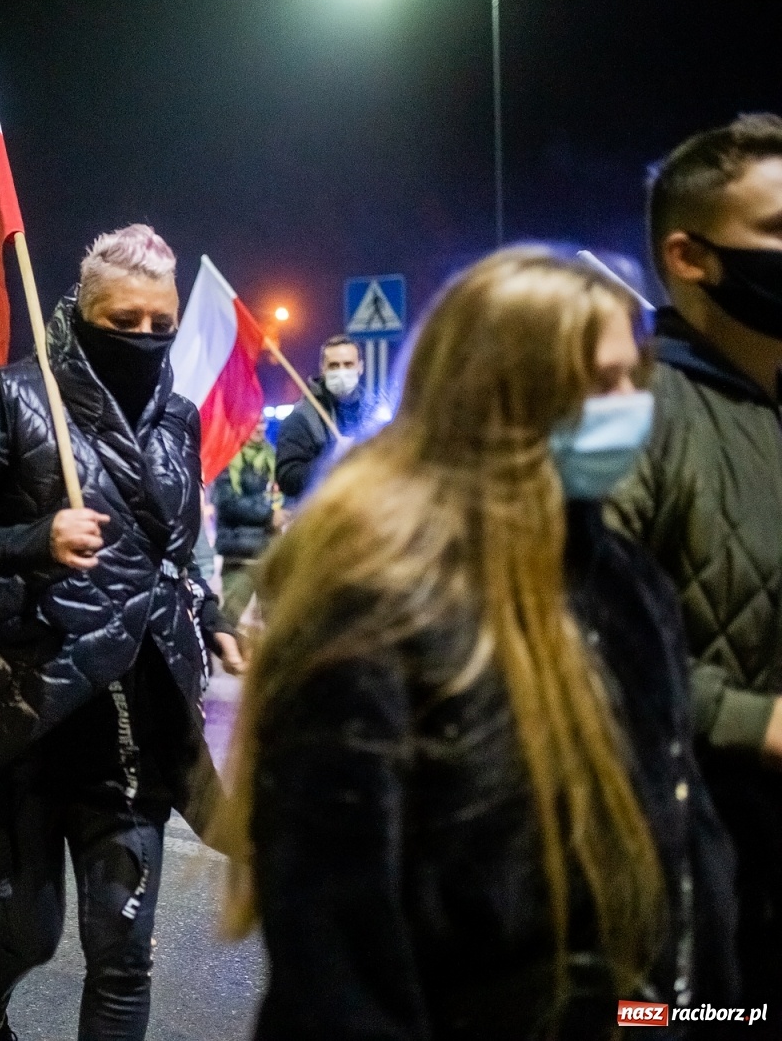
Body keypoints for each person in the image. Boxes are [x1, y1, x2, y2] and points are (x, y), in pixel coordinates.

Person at [215, 249, 738, 1039]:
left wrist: (710, 1009)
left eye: (636, 378)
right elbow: (340, 953)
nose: (633, 407)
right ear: (502, 390)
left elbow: (684, 846)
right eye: (601, 383)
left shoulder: (629, 583)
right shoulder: (379, 607)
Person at [0, 224, 242, 1041]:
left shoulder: (179, 420)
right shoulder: (12, 400)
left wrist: (211, 615)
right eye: (124, 322)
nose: (145, 338)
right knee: (33, 931)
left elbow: (174, 554)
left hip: (136, 727)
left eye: (161, 325)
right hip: (27, 716)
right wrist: (35, 539)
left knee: (122, 958)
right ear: (81, 313)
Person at [606, 113, 782, 1003]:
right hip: (676, 905)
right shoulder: (631, 411)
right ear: (690, 256)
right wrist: (756, 722)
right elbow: (574, 631)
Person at [273, 334, 387, 501]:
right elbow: (287, 477)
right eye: (334, 366)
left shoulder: (375, 413)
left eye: (348, 364)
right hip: (324, 511)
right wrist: (330, 460)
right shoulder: (301, 418)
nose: (341, 371)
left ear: (360, 367)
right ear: (323, 369)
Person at [209, 420, 281, 632]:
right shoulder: (227, 458)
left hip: (270, 553)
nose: (261, 428)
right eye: (254, 422)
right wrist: (269, 514)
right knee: (229, 621)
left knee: (277, 623)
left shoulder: (271, 456)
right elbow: (228, 503)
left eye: (263, 422)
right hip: (240, 558)